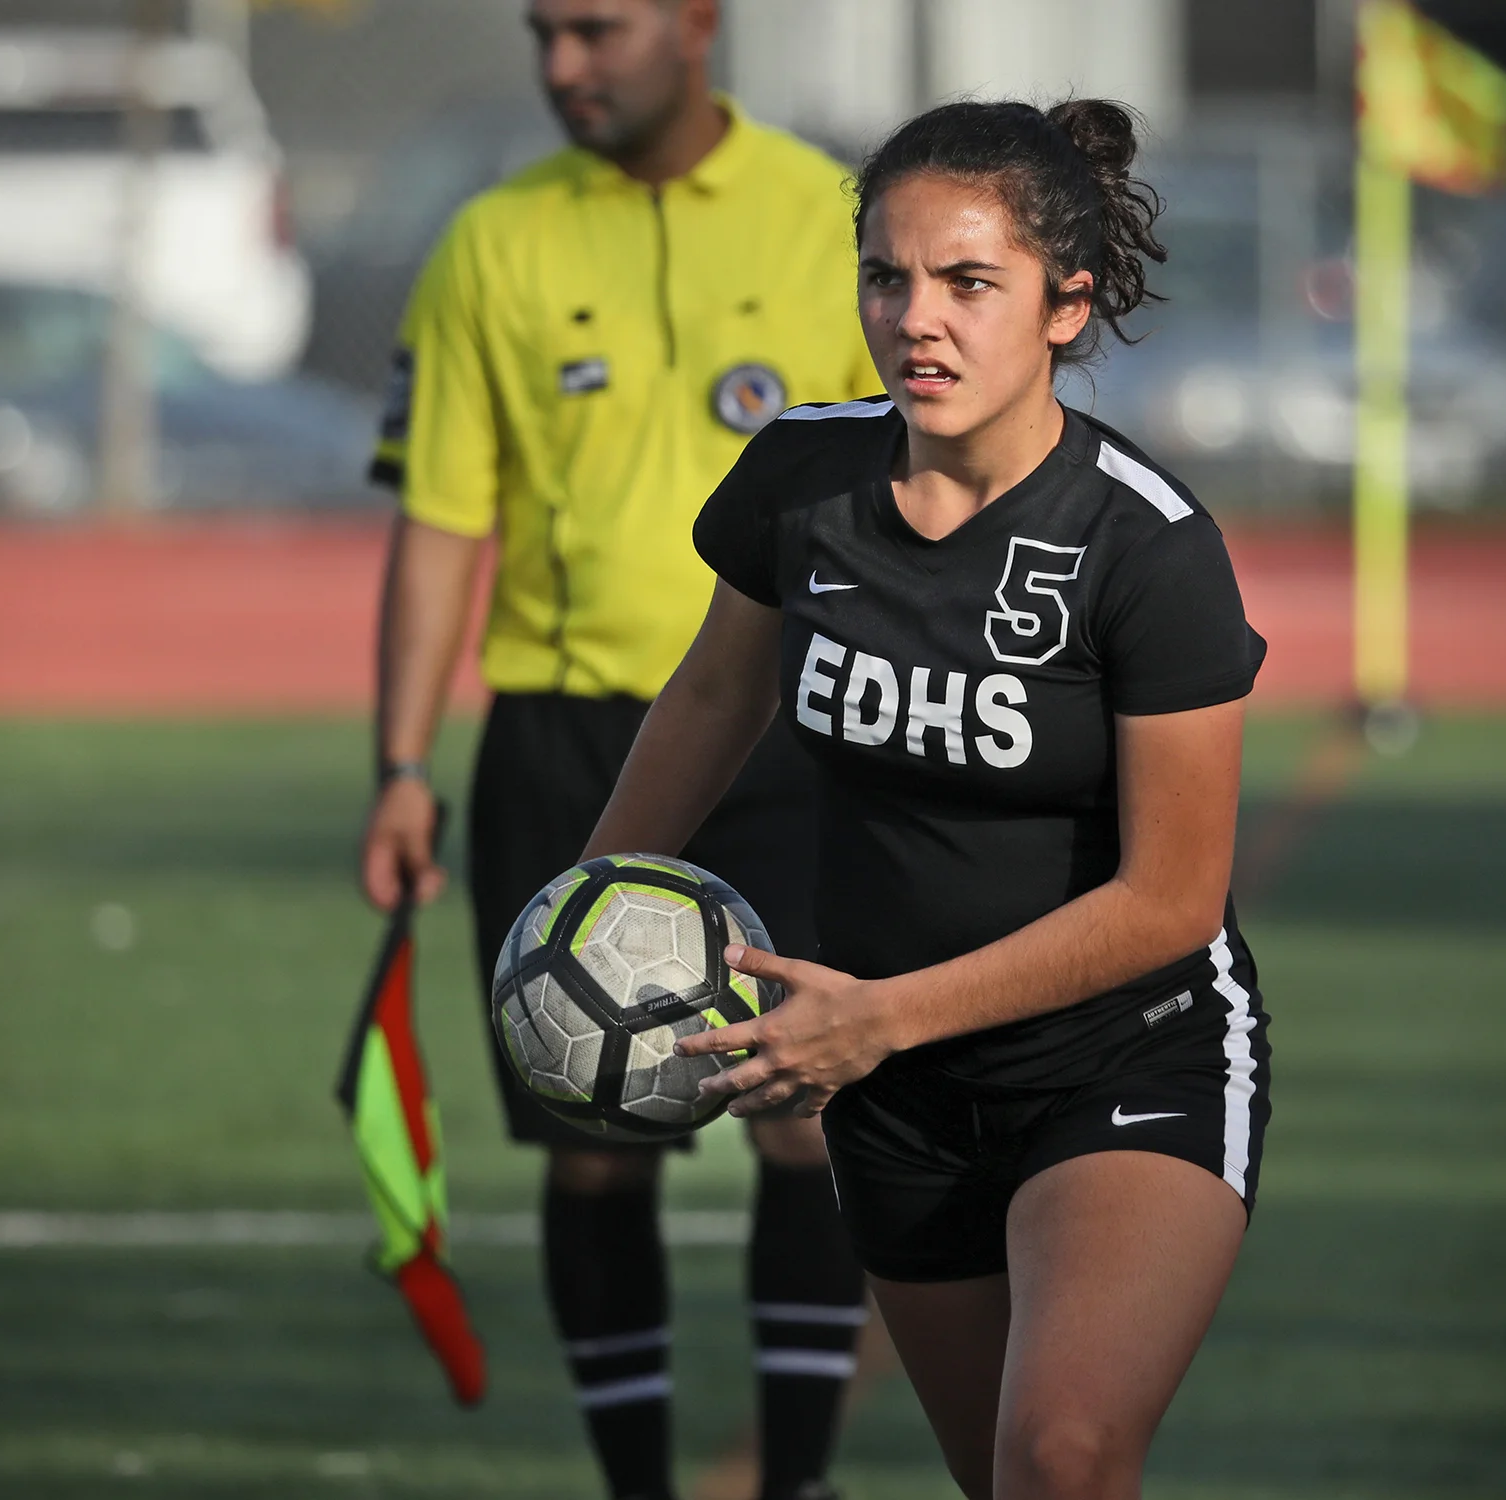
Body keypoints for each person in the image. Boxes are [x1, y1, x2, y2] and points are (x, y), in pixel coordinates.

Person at [579, 98, 1272, 1500]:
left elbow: (1171, 899)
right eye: (886, 278)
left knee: (1066, 1456)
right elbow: (718, 693)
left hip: (1123, 1058)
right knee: (1001, 1482)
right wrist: (590, 903)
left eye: (969, 283)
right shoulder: (804, 475)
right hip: (895, 1092)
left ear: (1066, 306)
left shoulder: (1150, 546)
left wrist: (874, 1017)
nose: (917, 320)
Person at [358, 3, 881, 1498]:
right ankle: (635, 1487)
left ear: (699, 23)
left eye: (598, 27)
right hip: (568, 743)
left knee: (807, 1116)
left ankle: (798, 1480)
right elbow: (442, 516)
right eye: (544, 32)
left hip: (793, 738)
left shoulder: (830, 220)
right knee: (595, 1143)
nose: (564, 64)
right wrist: (401, 763)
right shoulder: (492, 245)